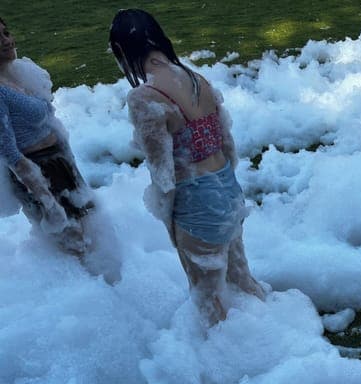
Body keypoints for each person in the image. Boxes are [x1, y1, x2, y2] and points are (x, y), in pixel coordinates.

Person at [110, 9, 264, 325]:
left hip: (196, 198)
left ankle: (228, 352)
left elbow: (162, 171)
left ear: (121, 50)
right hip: (228, 187)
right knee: (241, 278)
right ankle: (272, 329)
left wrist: (171, 221)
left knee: (207, 298)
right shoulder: (196, 78)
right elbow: (227, 144)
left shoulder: (144, 96)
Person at [0, 16, 93, 258]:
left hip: (59, 163)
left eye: (6, 33)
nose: (6, 41)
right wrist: (48, 202)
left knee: (89, 234)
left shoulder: (17, 72)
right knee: (74, 246)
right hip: (38, 173)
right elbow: (8, 151)